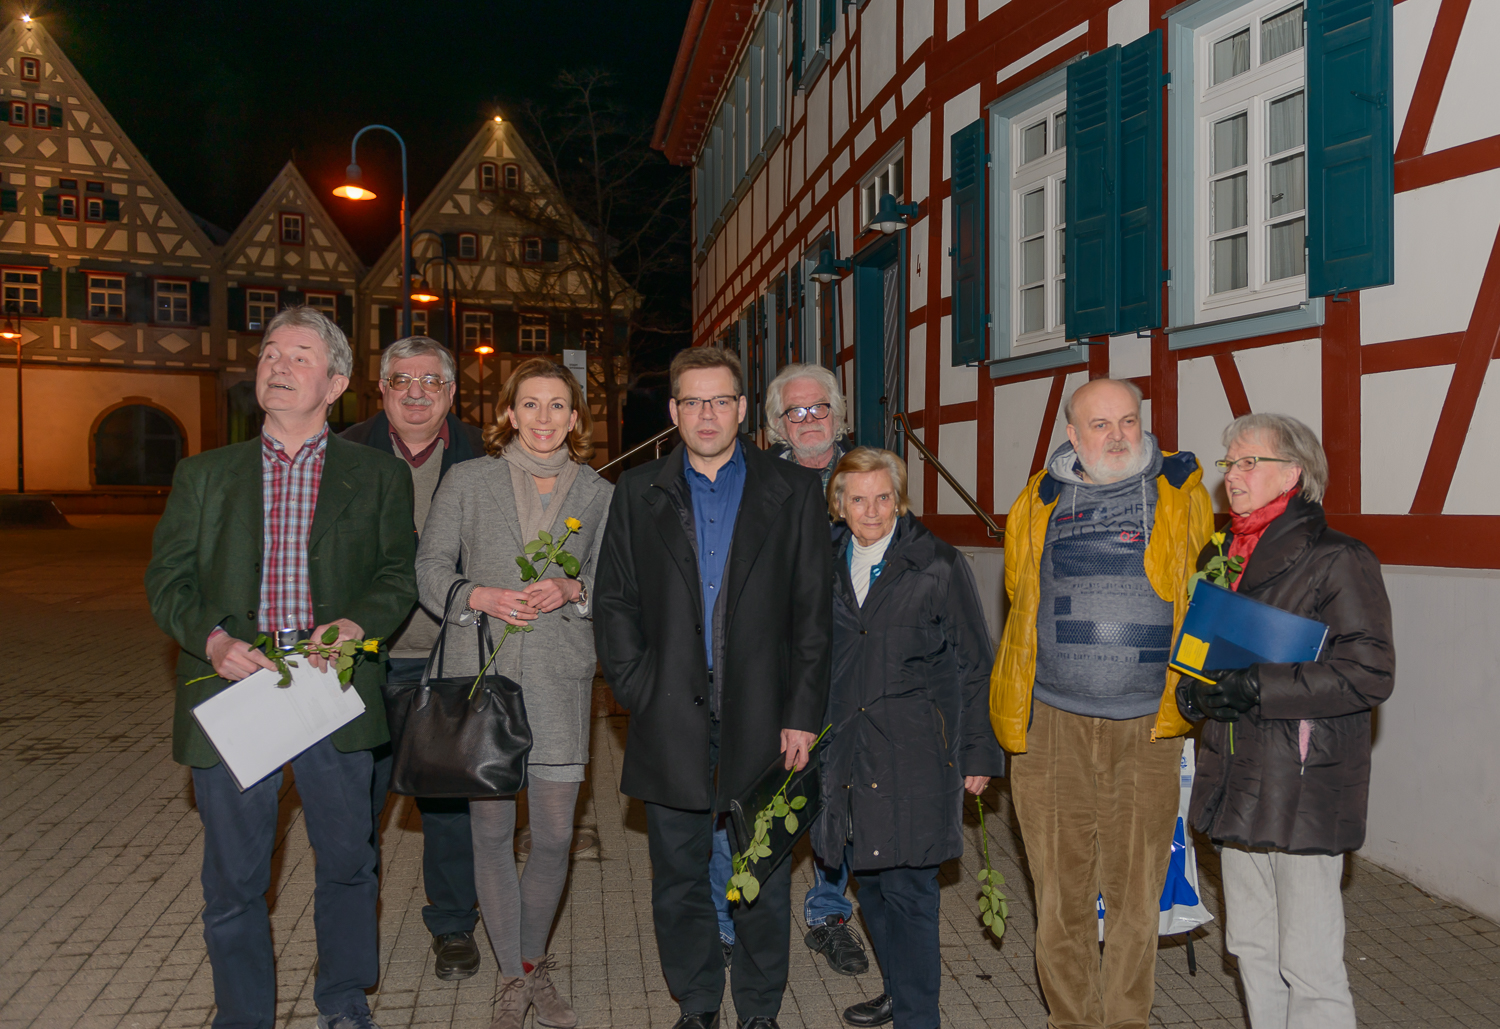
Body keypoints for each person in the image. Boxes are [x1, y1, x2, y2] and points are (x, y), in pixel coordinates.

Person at [146, 306, 417, 1029]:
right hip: (237, 683)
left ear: (336, 382)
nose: (278, 364)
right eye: (270, 352)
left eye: (299, 355)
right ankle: (243, 1016)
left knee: (348, 860)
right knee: (233, 877)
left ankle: (344, 997)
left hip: (331, 683)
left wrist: (357, 625)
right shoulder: (204, 475)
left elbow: (398, 575)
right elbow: (167, 580)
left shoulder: (378, 475)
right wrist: (210, 640)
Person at [594, 346, 832, 1029]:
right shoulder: (639, 493)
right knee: (676, 879)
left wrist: (801, 714)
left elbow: (813, 614)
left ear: (742, 409)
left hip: (766, 719)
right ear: (673, 411)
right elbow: (614, 602)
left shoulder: (791, 492)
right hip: (668, 717)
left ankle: (759, 1009)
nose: (706, 414)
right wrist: (640, 688)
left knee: (761, 877)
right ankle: (697, 1001)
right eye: (692, 401)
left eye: (720, 400)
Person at [989, 377, 1213, 1029]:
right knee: (1059, 897)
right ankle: (1072, 1019)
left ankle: (1125, 1021)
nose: (1117, 434)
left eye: (1127, 420)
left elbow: (1205, 591)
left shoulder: (1180, 493)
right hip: (1052, 725)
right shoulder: (1038, 499)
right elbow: (1018, 591)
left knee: (1137, 896)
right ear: (1071, 434)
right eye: (1099, 424)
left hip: (1148, 728)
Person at [414, 357, 612, 1029]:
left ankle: (530, 963)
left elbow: (619, 584)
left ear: (576, 418)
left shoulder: (599, 492)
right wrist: (480, 596)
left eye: (559, 405)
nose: (545, 417)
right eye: (531, 403)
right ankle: (512, 976)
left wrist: (575, 588)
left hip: (559, 679)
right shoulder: (469, 481)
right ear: (507, 412)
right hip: (484, 679)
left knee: (554, 834)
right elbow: (430, 566)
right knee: (492, 830)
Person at [1178, 414, 1393, 1029]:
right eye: (1230, 463)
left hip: (1303, 781)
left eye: (1249, 462)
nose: (1233, 476)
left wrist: (1257, 687)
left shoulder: (1339, 559)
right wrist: (1199, 700)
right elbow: (1197, 659)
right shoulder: (1221, 556)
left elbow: (1369, 672)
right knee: (1251, 947)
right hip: (1234, 775)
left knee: (1310, 962)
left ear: (1292, 475)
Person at [813, 448, 1004, 1029]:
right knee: (868, 881)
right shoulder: (823, 561)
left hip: (916, 751)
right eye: (858, 498)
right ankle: (898, 993)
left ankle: (920, 1017)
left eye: (884, 497)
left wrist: (978, 752)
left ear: (901, 500)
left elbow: (975, 664)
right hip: (845, 749)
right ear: (838, 504)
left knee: (911, 892)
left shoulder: (938, 565)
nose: (872, 510)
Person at [706, 363, 866, 976]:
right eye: (794, 413)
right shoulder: (754, 482)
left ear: (838, 414)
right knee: (745, 794)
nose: (808, 421)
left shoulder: (866, 476)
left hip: (849, 668)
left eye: (819, 409)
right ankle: (727, 914)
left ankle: (828, 913)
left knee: (840, 798)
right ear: (775, 424)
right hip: (769, 671)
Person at [342, 335, 488, 983]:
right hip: (365, 661)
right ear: (382, 388)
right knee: (354, 802)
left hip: (446, 656)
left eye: (432, 381)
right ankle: (351, 930)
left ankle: (453, 925)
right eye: (403, 380)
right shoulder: (344, 450)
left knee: (448, 804)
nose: (417, 392)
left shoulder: (479, 452)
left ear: (452, 393)